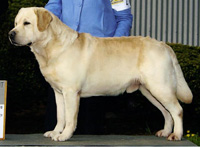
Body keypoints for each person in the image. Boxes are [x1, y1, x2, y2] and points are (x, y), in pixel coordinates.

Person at [44, 0, 133, 134]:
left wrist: (114, 47)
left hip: (97, 60)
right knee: (55, 125)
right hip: (63, 58)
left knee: (91, 126)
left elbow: (124, 18)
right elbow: (51, 11)